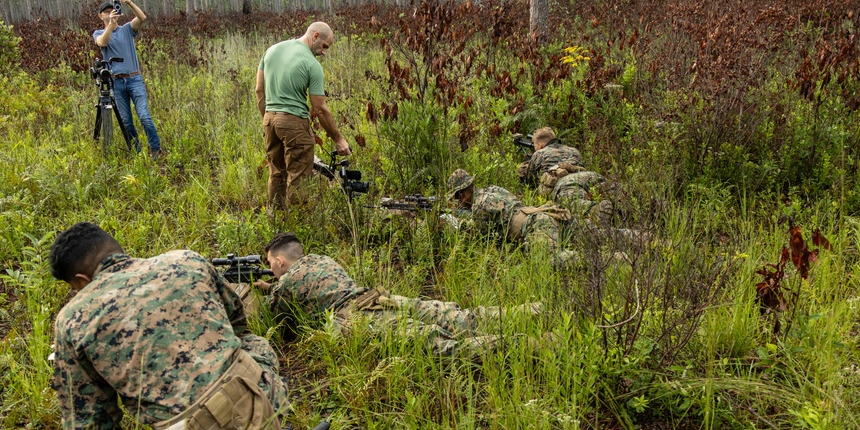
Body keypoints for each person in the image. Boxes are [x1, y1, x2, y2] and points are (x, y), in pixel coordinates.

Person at [49, 223, 290, 430]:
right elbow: (237, 323)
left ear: (80, 281)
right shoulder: (185, 259)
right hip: (260, 398)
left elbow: (89, 428)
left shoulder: (72, 320)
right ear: (116, 249)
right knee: (254, 345)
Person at [253, 233, 540, 354]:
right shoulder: (322, 259)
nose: (271, 269)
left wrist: (268, 292)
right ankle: (532, 311)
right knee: (459, 317)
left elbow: (282, 322)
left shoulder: (288, 281)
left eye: (270, 264)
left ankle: (526, 345)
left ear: (279, 261)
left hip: (358, 317)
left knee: (437, 345)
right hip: (377, 298)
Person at [256, 22, 351, 209]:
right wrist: (338, 139)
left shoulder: (272, 50)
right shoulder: (311, 65)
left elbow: (259, 90)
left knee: (276, 172)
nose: (324, 52)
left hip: (269, 119)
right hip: (293, 123)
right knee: (299, 176)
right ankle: (297, 226)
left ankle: (276, 218)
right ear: (315, 36)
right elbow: (320, 108)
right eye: (324, 46)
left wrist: (268, 119)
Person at [447, 169, 575, 262]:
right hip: (540, 217)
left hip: (535, 226)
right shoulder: (493, 189)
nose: (458, 203)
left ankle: (585, 259)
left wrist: (455, 222)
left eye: (457, 198)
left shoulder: (479, 206)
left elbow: (480, 236)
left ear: (462, 195)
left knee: (548, 261)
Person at [93, 0, 164, 158]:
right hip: (116, 83)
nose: (110, 14)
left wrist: (129, 2)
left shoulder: (126, 29)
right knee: (126, 122)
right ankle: (137, 152)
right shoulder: (98, 33)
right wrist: (110, 25)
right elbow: (102, 43)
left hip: (134, 79)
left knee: (144, 115)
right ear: (101, 16)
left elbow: (142, 17)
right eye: (106, 12)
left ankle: (155, 149)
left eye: (113, 11)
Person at [516, 127, 611, 223]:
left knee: (571, 202)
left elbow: (529, 181)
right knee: (612, 194)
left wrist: (527, 161)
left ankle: (594, 210)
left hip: (567, 182)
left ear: (540, 145)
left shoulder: (539, 153)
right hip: (591, 175)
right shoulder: (573, 150)